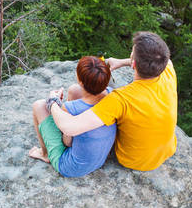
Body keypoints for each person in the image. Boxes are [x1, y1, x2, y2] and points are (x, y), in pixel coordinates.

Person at [47, 31, 177, 171]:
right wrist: (121, 62)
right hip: (166, 150)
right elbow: (163, 60)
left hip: (134, 160)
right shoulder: (167, 69)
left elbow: (70, 127)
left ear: (134, 64)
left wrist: (53, 102)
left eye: (131, 53)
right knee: (77, 90)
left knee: (88, 96)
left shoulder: (121, 99)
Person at [29, 56, 116, 177]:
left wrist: (54, 102)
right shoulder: (112, 94)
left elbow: (67, 143)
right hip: (99, 159)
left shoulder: (71, 108)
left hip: (71, 167)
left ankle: (45, 154)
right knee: (74, 90)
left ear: (80, 80)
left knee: (38, 106)